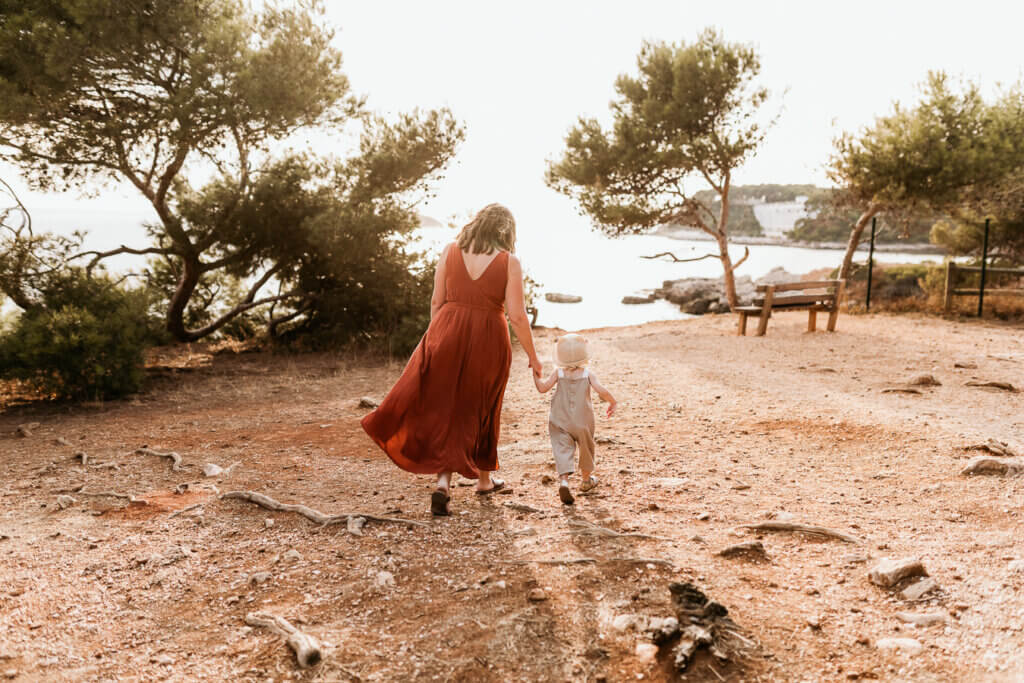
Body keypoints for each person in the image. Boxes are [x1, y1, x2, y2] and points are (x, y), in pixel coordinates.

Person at [361, 204, 542, 516]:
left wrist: (437, 337)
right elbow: (517, 316)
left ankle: (443, 484)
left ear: (476, 224)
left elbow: (437, 300)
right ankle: (484, 480)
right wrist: (534, 357)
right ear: (506, 232)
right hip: (489, 338)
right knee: (483, 405)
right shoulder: (509, 262)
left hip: (445, 331)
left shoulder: (449, 250)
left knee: (446, 408)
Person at [533, 333, 617, 505]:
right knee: (586, 446)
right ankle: (586, 481)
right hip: (583, 420)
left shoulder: (559, 373)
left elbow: (542, 388)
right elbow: (601, 390)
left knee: (562, 448)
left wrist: (535, 373)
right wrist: (612, 402)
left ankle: (564, 481)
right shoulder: (588, 374)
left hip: (559, 419)